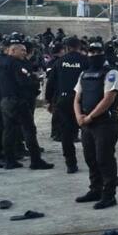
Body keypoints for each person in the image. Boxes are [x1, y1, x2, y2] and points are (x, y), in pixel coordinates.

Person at [72, 42, 118, 209]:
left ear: (103, 53)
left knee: (104, 159)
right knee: (90, 158)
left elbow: (108, 99)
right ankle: (95, 190)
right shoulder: (84, 74)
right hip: (87, 124)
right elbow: (77, 98)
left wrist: (90, 117)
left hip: (105, 123)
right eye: (91, 52)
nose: (94, 55)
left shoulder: (111, 73)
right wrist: (79, 116)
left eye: (97, 52)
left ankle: (109, 195)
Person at [0, 40, 53, 170]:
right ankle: (35, 160)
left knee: (9, 130)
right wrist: (34, 83)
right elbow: (23, 82)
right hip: (17, 100)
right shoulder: (16, 64)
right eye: (21, 50)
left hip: (5, 99)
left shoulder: (1, 62)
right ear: (13, 51)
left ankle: (9, 160)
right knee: (29, 129)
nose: (24, 52)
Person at [46, 37, 86, 172]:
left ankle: (71, 164)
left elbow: (51, 82)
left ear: (66, 48)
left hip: (63, 100)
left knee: (66, 134)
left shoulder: (59, 62)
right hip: (82, 100)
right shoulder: (85, 61)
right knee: (87, 131)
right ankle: (92, 160)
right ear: (79, 47)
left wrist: (49, 100)